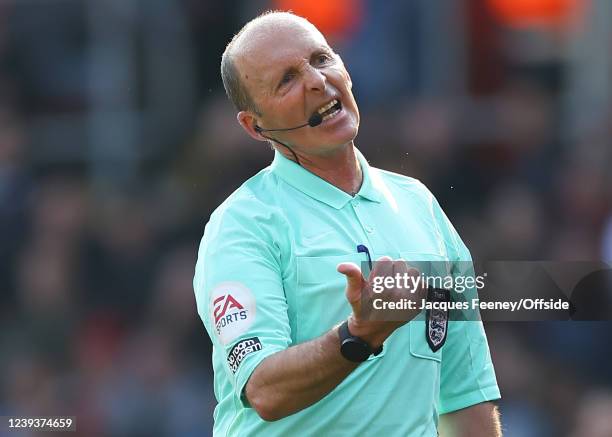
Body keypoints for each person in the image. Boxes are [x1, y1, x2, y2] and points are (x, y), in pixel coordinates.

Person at [193, 11, 501, 436]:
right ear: (255, 126)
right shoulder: (242, 224)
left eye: (321, 59)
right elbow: (264, 388)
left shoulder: (420, 206)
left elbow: (465, 395)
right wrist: (359, 335)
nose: (317, 81)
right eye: (286, 79)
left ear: (345, 67)